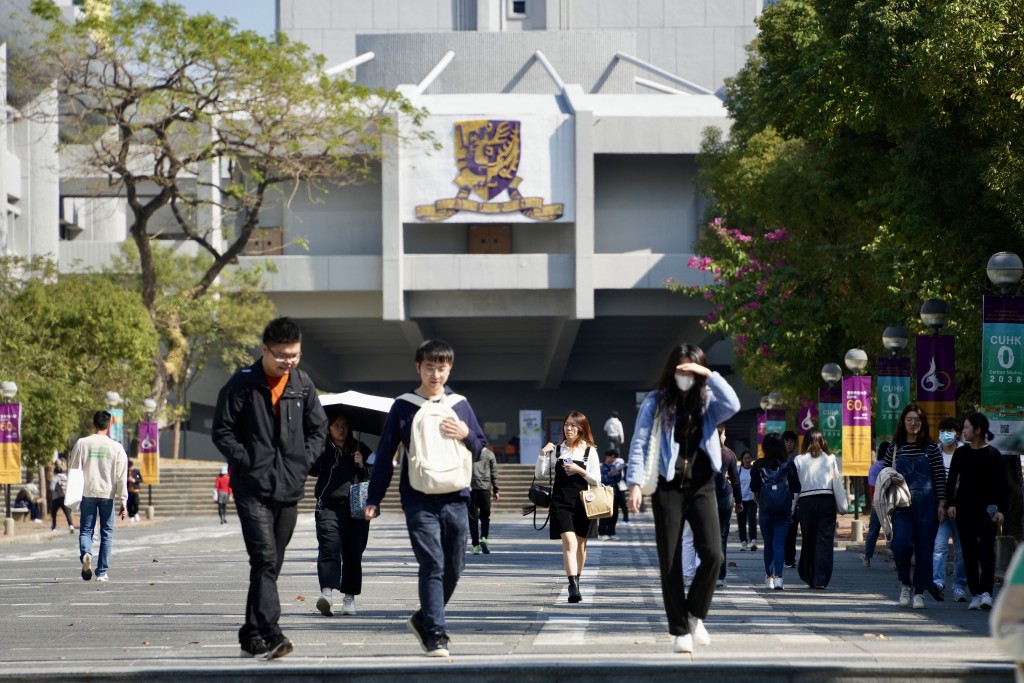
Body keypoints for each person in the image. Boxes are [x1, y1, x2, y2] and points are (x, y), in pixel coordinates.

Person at [212, 316, 328, 659]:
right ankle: (272, 631)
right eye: (281, 355)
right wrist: (248, 461)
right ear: (264, 349)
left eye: (294, 355)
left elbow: (318, 430)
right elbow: (222, 431)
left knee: (271, 563)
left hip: (289, 487)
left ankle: (251, 632)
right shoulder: (242, 384)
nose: (287, 361)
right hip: (252, 488)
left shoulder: (302, 384)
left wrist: (303, 461)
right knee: (263, 557)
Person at [364, 339, 486, 658]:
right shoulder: (403, 405)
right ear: (418, 367)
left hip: (457, 496)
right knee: (432, 562)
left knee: (455, 567)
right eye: (429, 367)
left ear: (450, 369)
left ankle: (423, 618)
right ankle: (436, 633)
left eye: (441, 367)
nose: (435, 374)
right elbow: (386, 451)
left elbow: (480, 447)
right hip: (417, 498)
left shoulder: (460, 404)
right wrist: (373, 498)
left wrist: (465, 434)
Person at [625, 343, 741, 654]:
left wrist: (708, 374)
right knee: (671, 560)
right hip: (667, 487)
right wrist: (634, 483)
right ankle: (679, 630)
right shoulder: (657, 401)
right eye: (680, 370)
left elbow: (734, 403)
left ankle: (694, 614)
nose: (685, 376)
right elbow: (638, 442)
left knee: (714, 554)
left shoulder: (709, 401)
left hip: (703, 485)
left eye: (691, 370)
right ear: (671, 371)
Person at [884, 403, 946, 609]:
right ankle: (905, 582)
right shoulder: (894, 448)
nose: (913, 424)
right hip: (901, 506)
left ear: (923, 423)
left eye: (917, 420)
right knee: (900, 545)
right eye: (910, 419)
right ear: (903, 422)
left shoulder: (932, 448)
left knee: (925, 549)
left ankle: (919, 592)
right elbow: (884, 475)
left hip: (927, 505)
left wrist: (942, 503)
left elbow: (939, 477)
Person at [945, 412, 1009, 610]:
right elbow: (952, 480)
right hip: (964, 510)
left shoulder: (993, 454)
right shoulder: (961, 453)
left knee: (986, 552)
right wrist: (951, 504)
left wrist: (1001, 511)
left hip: (987, 512)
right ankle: (975, 593)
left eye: (966, 427)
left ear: (978, 430)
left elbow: (1002, 486)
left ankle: (987, 593)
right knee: (969, 552)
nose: (963, 431)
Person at [312, 412, 372, 617]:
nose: (341, 429)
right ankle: (327, 595)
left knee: (353, 554)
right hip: (328, 506)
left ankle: (349, 598)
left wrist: (362, 464)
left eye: (345, 425)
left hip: (356, 509)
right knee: (328, 547)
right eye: (336, 425)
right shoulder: (321, 446)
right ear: (328, 427)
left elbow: (376, 473)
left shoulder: (361, 448)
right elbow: (311, 469)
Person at [537, 411, 601, 602]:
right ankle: (572, 587)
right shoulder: (557, 450)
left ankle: (577, 581)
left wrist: (579, 470)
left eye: (573, 425)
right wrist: (542, 455)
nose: (569, 428)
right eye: (566, 425)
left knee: (581, 546)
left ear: (581, 429)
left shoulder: (589, 451)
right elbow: (540, 475)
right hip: (560, 503)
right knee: (570, 543)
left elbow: (597, 480)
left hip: (584, 503)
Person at [68, 410, 128, 583]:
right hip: (107, 494)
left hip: (88, 492)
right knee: (106, 532)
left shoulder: (82, 443)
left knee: (86, 530)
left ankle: (86, 552)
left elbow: (74, 468)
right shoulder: (116, 447)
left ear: (93, 424)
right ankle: (101, 572)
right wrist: (123, 500)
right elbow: (121, 476)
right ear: (109, 425)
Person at [751, 432, 800, 591]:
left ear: (764, 447)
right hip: (784, 509)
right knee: (779, 545)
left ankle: (769, 577)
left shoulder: (758, 465)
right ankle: (779, 578)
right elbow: (797, 487)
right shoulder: (789, 465)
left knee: (768, 545)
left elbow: (754, 486)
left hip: (765, 509)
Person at [793, 428, 841, 588]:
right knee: (825, 541)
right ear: (823, 441)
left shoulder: (798, 460)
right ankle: (821, 578)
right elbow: (837, 481)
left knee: (809, 539)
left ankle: (808, 574)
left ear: (805, 441)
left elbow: (795, 488)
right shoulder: (831, 458)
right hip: (827, 501)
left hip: (806, 502)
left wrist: (792, 508)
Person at [931, 418, 968, 601]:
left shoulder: (965, 453)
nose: (945, 434)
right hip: (940, 509)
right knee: (939, 547)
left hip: (960, 508)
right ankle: (938, 582)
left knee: (961, 550)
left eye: (950, 430)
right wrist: (941, 504)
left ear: (957, 433)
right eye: (942, 430)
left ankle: (959, 585)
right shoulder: (934, 452)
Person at [714, 424, 743, 588]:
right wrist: (739, 502)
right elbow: (736, 481)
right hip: (725, 496)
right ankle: (719, 576)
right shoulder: (729, 454)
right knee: (721, 536)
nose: (725, 436)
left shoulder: (700, 451)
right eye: (724, 433)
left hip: (705, 497)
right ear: (721, 435)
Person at [861, 442, 889, 567]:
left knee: (873, 530)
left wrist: (874, 500)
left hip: (878, 501)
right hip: (893, 502)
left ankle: (867, 556)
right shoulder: (895, 465)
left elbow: (872, 487)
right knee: (893, 531)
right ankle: (896, 559)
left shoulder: (875, 467)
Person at [469, 443, 500, 554]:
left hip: (471, 488)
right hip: (485, 489)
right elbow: (494, 472)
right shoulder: (489, 454)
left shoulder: (468, 452)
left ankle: (475, 545)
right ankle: (484, 538)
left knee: (473, 519)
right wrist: (496, 489)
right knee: (485, 516)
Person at [782, 430, 800, 569]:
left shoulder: (798, 459)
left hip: (795, 497)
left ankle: (790, 558)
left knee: (792, 529)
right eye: (786, 441)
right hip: (780, 498)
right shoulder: (779, 458)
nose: (788, 444)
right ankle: (782, 555)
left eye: (791, 442)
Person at [598, 449, 624, 541]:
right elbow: (601, 479)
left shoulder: (614, 466)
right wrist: (611, 473)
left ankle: (611, 532)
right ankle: (602, 533)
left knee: (614, 515)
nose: (613, 460)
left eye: (614, 458)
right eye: (612, 457)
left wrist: (619, 473)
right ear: (607, 456)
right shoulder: (601, 467)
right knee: (605, 514)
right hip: (605, 493)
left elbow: (617, 480)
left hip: (614, 493)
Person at [737, 450, 758, 552]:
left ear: (751, 459)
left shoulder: (754, 470)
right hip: (741, 500)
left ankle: (753, 541)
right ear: (742, 460)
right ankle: (743, 542)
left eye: (749, 458)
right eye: (745, 458)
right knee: (741, 521)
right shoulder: (738, 470)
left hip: (752, 499)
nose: (747, 460)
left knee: (752, 520)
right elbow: (735, 484)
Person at [50, 462, 74, 533]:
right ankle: (71, 525)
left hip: (56, 498)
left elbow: (52, 488)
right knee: (67, 513)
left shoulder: (54, 478)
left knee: (53, 513)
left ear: (55, 471)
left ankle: (53, 527)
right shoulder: (65, 477)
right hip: (65, 497)